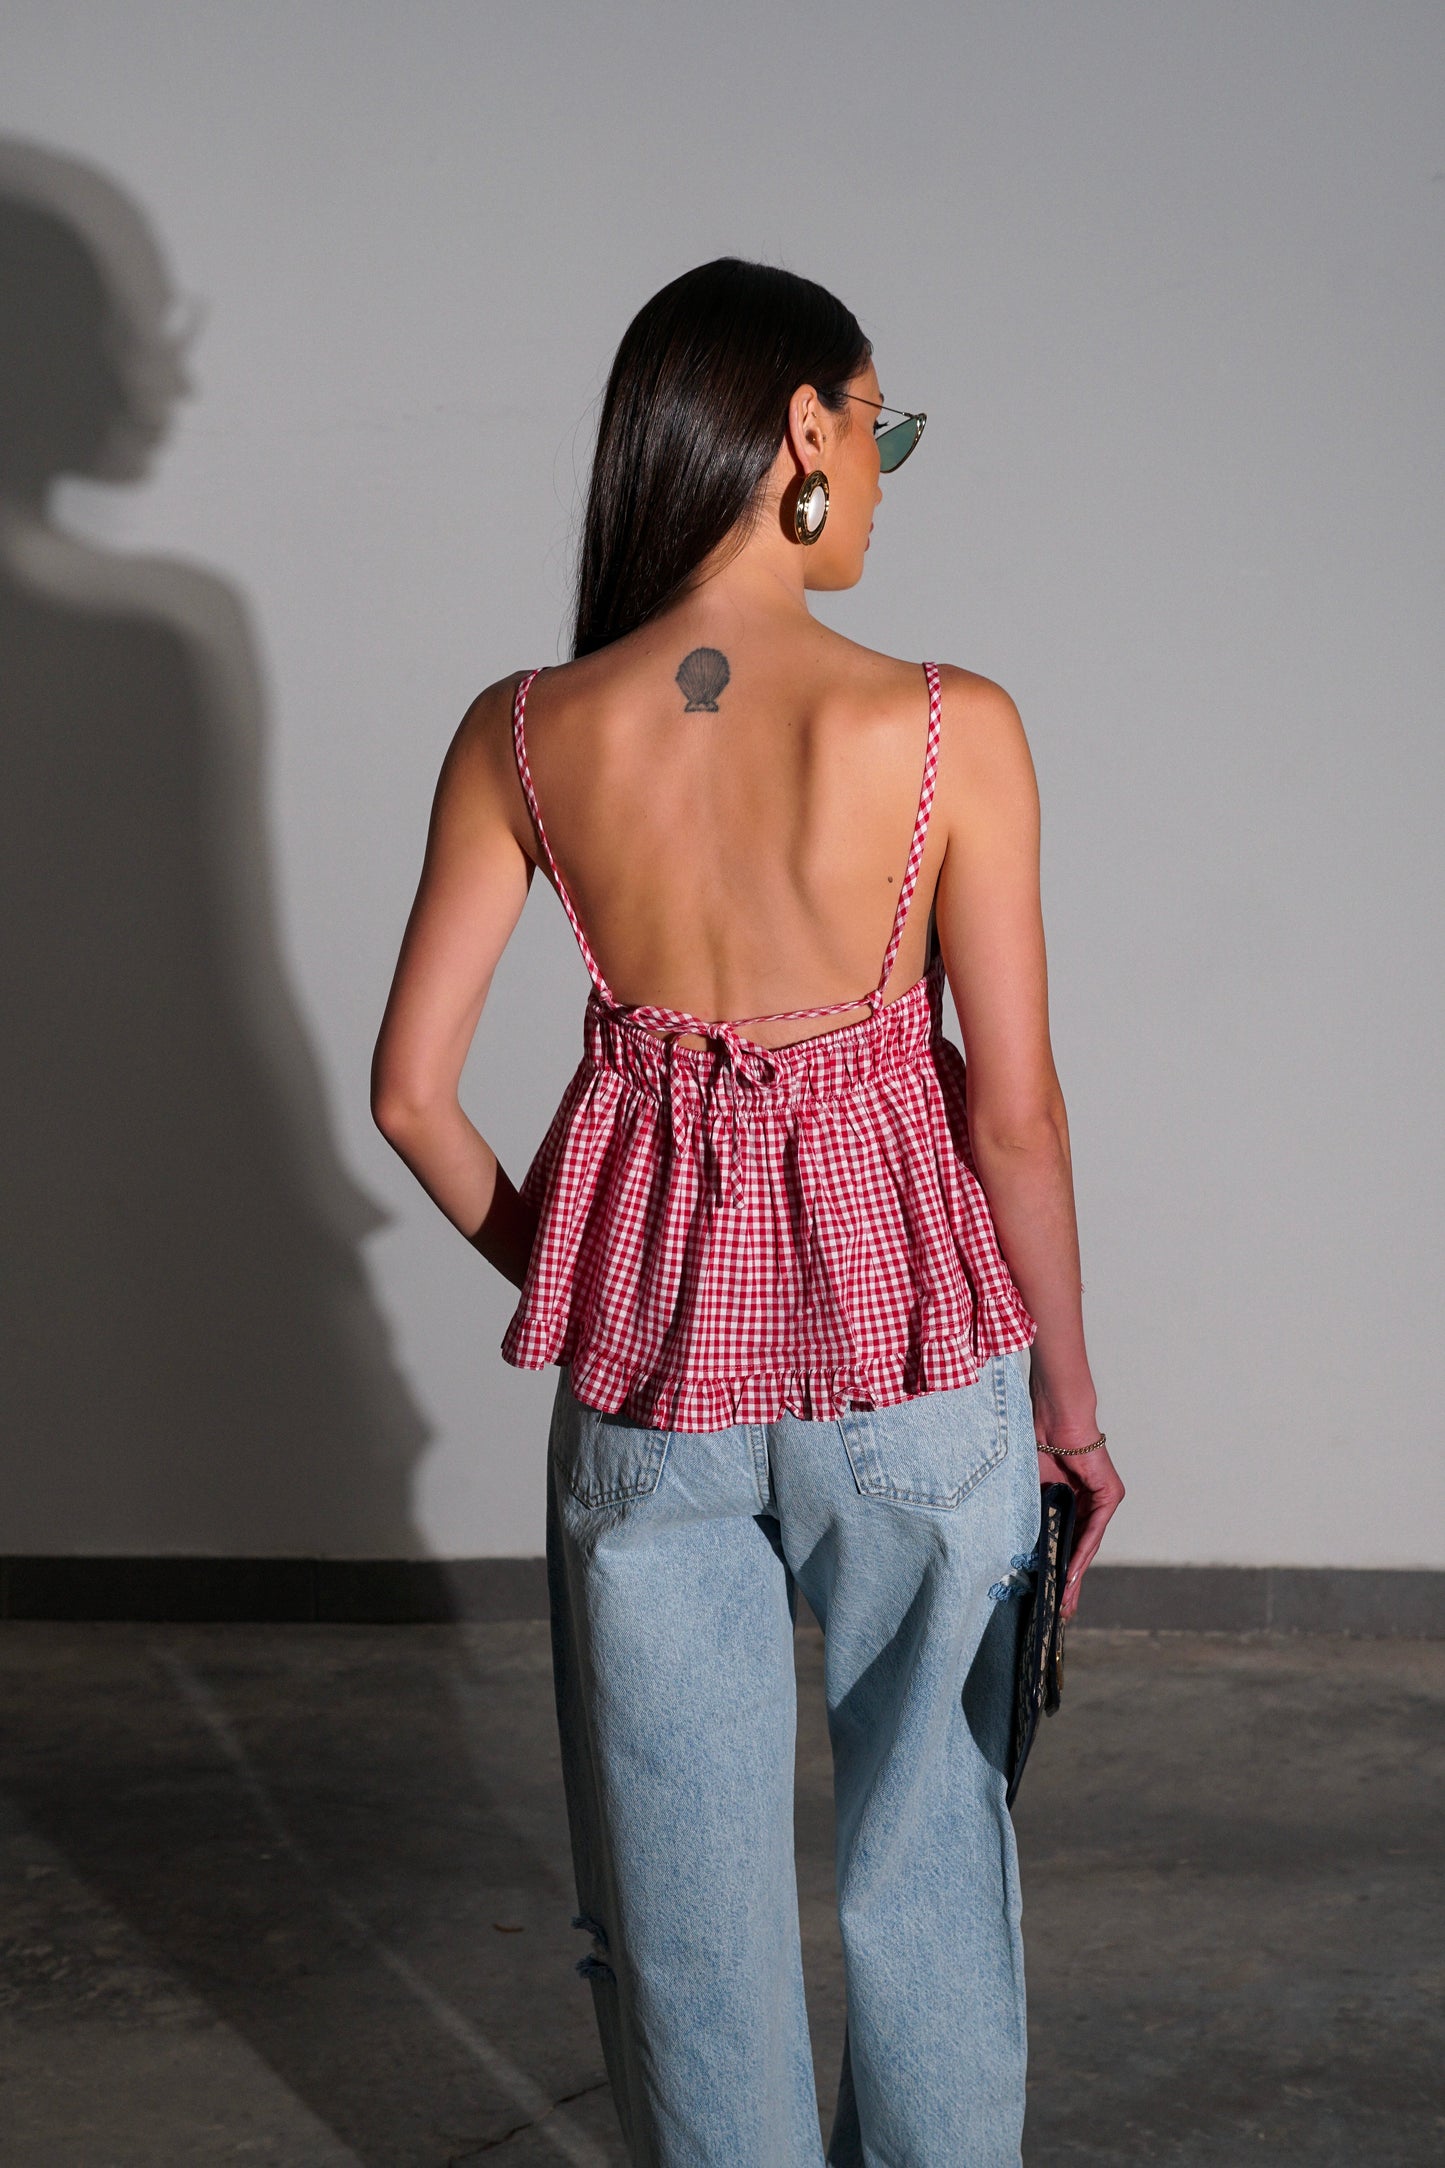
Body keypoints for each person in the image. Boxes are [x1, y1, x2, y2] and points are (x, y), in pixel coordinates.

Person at [372, 257, 1124, 2167]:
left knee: (680, 1907)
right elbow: (1013, 1115)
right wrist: (1068, 1411)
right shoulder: (946, 727)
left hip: (651, 1402)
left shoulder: (524, 731)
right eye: (881, 427)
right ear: (804, 427)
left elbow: (409, 1098)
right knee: (929, 1851)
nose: (881, 471)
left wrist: (592, 1283)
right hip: (912, 1369)